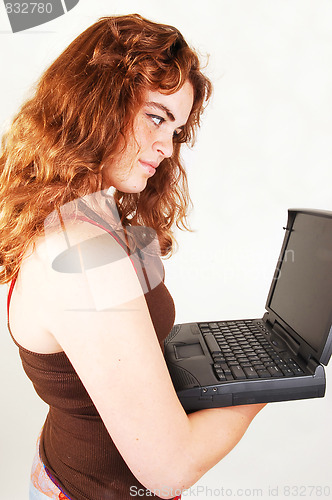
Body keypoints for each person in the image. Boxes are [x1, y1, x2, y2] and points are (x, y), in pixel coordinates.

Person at [0, 14, 265, 500]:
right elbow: (169, 471)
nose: (167, 147)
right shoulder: (81, 252)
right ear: (95, 101)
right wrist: (266, 382)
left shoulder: (84, 212)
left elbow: (106, 356)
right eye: (156, 117)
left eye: (178, 129)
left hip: (63, 471)